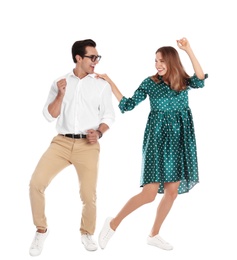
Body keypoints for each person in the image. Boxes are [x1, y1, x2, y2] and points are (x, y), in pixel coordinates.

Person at [96, 37, 208, 250]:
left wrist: (188, 49)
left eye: (162, 61)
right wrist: (110, 82)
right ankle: (112, 223)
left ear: (172, 62)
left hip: (179, 139)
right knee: (149, 193)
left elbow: (201, 78)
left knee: (172, 191)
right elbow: (127, 104)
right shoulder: (150, 82)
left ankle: (154, 234)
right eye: (156, 61)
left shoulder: (183, 81)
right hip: (157, 139)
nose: (157, 65)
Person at [28, 39, 115, 256]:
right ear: (78, 58)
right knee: (35, 184)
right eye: (92, 57)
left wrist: (100, 131)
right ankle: (41, 230)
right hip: (61, 142)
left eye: (97, 57)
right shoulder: (60, 82)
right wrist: (59, 95)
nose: (96, 61)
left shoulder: (101, 85)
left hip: (88, 145)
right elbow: (49, 115)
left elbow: (109, 116)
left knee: (88, 194)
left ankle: (87, 233)